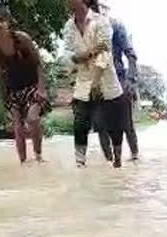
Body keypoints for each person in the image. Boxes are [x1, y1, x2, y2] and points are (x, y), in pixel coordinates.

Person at [0, 4, 50, 165]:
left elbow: (39, 64)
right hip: (12, 90)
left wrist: (41, 89)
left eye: (2, 20)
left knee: (33, 119)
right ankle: (23, 163)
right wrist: (4, 102)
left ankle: (39, 156)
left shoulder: (22, 39)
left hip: (33, 86)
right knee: (17, 126)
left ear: (8, 22)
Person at [63, 0, 125, 168]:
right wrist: (89, 52)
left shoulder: (101, 21)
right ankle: (80, 165)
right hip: (83, 82)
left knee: (114, 126)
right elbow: (69, 56)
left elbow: (104, 52)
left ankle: (117, 162)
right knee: (80, 124)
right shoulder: (69, 27)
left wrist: (95, 82)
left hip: (105, 80)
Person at [96, 16, 138, 163]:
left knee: (126, 123)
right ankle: (110, 163)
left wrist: (130, 80)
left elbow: (131, 55)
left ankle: (134, 156)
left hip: (119, 79)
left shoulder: (115, 26)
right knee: (100, 124)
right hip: (97, 79)